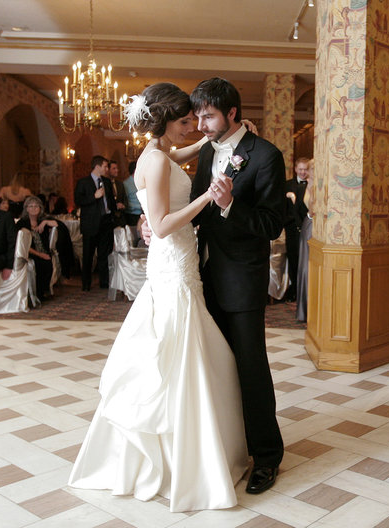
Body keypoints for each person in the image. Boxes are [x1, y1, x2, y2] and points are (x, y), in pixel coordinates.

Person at [69, 82, 247, 512]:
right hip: (172, 262)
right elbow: (163, 225)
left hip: (179, 262)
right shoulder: (154, 161)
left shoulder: (158, 153)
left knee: (192, 351)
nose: (192, 127)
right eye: (186, 121)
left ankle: (196, 448)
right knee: (176, 354)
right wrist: (207, 195)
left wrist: (215, 136)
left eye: (194, 121)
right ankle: (178, 458)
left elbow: (180, 158)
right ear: (167, 121)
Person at [188, 77, 285, 494]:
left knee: (250, 368)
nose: (200, 125)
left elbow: (271, 223)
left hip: (243, 279)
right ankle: (230, 447)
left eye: (207, 116)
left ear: (231, 113)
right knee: (215, 366)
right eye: (197, 116)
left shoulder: (266, 156)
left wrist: (230, 207)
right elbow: (194, 207)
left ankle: (267, 455)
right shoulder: (207, 152)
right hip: (204, 275)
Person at [74, 156, 117, 291]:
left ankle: (104, 283)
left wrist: (114, 211)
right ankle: (86, 284)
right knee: (88, 254)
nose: (106, 169)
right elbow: (78, 200)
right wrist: (94, 196)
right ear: (97, 166)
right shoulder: (83, 182)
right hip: (91, 224)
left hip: (106, 221)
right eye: (105, 166)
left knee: (104, 254)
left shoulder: (107, 182)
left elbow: (110, 199)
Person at [16, 195, 57, 300]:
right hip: (30, 252)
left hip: (43, 251)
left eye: (36, 206)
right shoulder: (22, 223)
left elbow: (57, 224)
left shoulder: (41, 220)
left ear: (40, 208)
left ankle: (43, 291)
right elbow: (22, 245)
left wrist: (45, 222)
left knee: (48, 262)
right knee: (40, 262)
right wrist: (40, 254)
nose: (34, 208)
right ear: (26, 209)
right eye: (31, 206)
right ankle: (38, 293)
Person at [284, 158, 311, 302]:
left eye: (305, 169)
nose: (303, 172)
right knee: (294, 260)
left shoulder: (313, 185)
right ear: (295, 169)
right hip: (292, 229)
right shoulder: (287, 185)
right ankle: (294, 290)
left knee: (307, 261)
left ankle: (306, 292)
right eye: (300, 169)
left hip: (308, 228)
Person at [296, 159, 314, 322]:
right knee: (304, 267)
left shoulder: (320, 186)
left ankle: (310, 308)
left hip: (313, 226)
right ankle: (304, 308)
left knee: (310, 267)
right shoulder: (304, 186)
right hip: (307, 224)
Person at [123, 160, 144, 245]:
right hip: (132, 215)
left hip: (142, 213)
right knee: (133, 238)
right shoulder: (126, 183)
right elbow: (126, 201)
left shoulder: (142, 182)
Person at [108, 160, 128, 227]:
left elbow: (125, 199)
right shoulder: (105, 184)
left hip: (120, 219)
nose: (117, 170)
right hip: (109, 219)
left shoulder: (120, 184)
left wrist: (123, 205)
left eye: (117, 168)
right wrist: (114, 205)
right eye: (114, 168)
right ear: (108, 170)